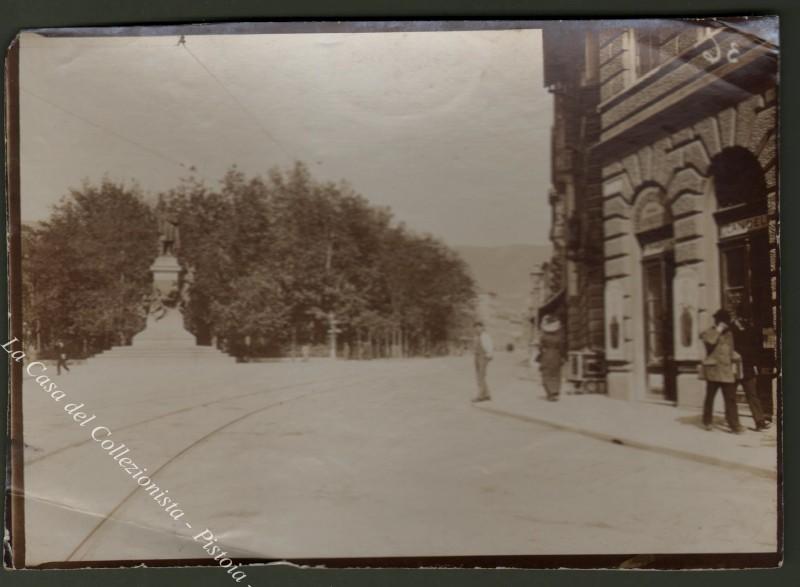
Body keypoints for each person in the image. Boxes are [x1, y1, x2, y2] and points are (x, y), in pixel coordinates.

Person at [700, 309, 743, 434]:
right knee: (710, 397)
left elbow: (730, 350)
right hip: (713, 370)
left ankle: (734, 425)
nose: (725, 324)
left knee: (730, 399)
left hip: (726, 371)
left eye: (726, 322)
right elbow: (711, 342)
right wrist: (718, 330)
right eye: (723, 322)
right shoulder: (709, 332)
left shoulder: (729, 333)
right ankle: (707, 421)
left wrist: (736, 357)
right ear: (718, 321)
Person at [731, 310, 771, 431]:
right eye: (739, 318)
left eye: (743, 318)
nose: (742, 320)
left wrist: (754, 364)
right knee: (730, 396)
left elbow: (753, 348)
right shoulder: (730, 330)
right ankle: (734, 423)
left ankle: (759, 422)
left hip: (747, 368)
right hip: (734, 368)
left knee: (753, 395)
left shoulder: (749, 329)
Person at [536, 314, 564, 401]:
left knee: (546, 374)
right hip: (556, 355)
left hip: (546, 355)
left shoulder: (543, 337)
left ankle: (550, 394)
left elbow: (540, 347)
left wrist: (541, 353)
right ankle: (555, 392)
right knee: (556, 374)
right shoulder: (559, 337)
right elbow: (561, 347)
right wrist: (562, 356)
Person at [471, 321, 493, 403]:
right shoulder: (476, 336)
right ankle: (487, 394)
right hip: (477, 357)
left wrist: (489, 356)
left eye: (479, 327)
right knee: (479, 376)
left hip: (483, 357)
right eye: (475, 327)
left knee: (481, 376)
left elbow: (490, 346)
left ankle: (480, 396)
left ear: (482, 327)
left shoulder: (485, 336)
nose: (477, 329)